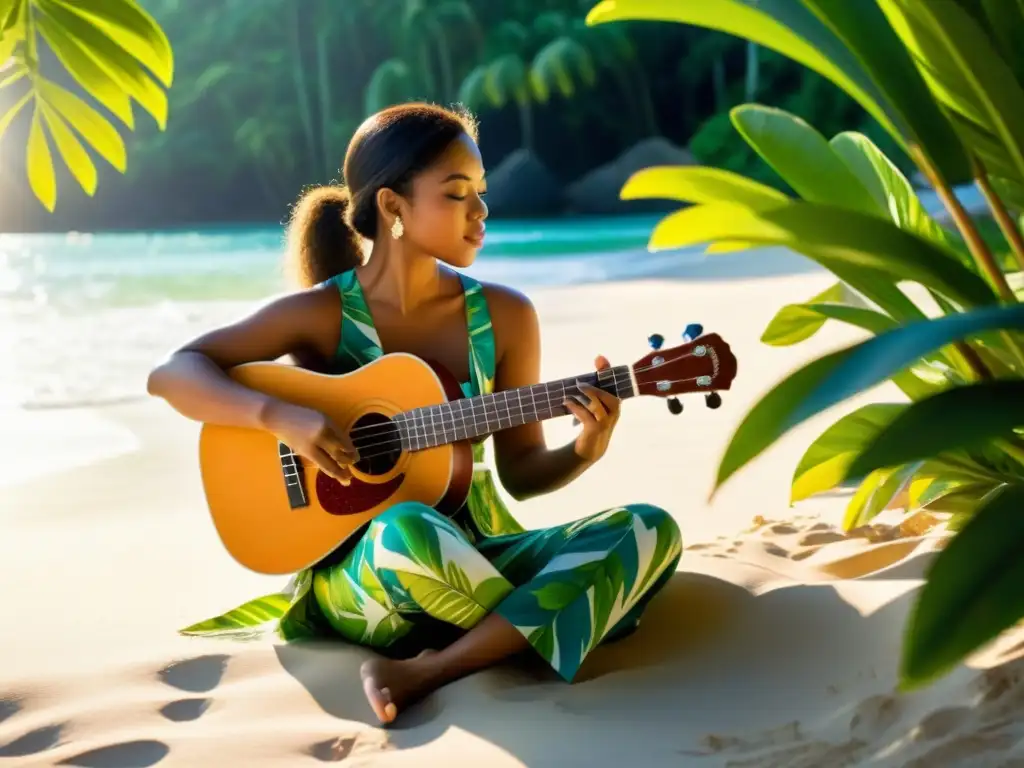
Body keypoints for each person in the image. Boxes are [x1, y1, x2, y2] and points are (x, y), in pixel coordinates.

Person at [147, 102, 682, 725]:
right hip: (372, 575)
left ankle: (429, 667)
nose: (481, 212)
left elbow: (521, 474)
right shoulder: (321, 314)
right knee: (408, 529)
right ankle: (542, 624)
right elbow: (174, 372)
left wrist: (584, 449)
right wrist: (279, 416)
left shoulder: (506, 317)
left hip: (479, 555)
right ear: (393, 208)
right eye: (458, 195)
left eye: (481, 193)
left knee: (649, 528)